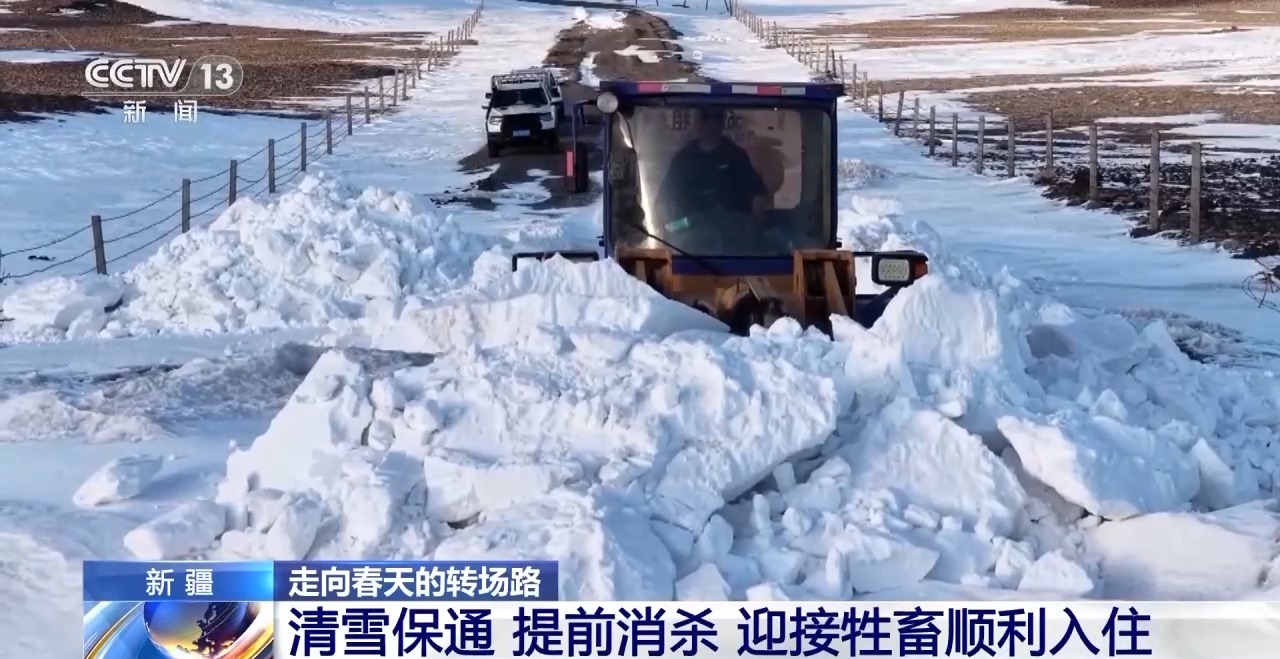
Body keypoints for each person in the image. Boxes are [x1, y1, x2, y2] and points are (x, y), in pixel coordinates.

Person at [655, 108, 771, 229]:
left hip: (732, 231)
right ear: (699, 125)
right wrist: (665, 228)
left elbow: (757, 194)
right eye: (707, 123)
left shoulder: (736, 156)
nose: (711, 128)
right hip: (689, 232)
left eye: (716, 123)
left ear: (722, 126)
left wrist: (756, 222)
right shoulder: (683, 159)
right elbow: (663, 199)